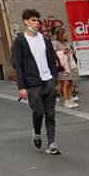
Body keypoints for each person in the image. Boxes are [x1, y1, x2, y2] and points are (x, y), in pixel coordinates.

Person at [11, 8, 62, 155]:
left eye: (37, 20)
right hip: (32, 83)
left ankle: (51, 143)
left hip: (48, 81)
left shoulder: (45, 39)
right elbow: (18, 65)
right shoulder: (20, 41)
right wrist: (21, 87)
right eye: (33, 20)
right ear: (26, 22)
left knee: (50, 114)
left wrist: (54, 78)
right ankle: (37, 132)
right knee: (39, 112)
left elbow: (53, 60)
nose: (37, 23)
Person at [52, 26, 78, 108]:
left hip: (69, 65)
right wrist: (63, 51)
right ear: (60, 35)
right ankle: (66, 101)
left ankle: (70, 100)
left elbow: (72, 53)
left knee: (70, 83)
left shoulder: (67, 43)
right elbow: (53, 53)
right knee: (65, 83)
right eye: (65, 33)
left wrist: (72, 52)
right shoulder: (55, 43)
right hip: (62, 67)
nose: (67, 35)